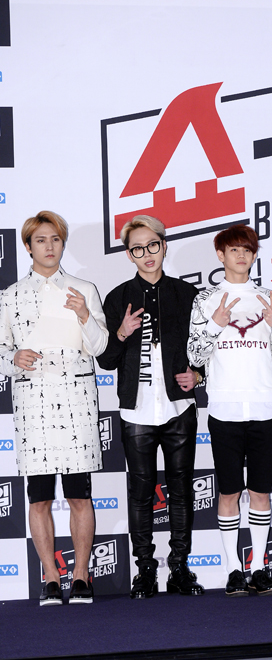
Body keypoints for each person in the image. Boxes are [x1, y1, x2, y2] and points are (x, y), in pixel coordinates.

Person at [0, 211, 108, 606]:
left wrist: (84, 315)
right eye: (41, 240)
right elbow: (0, 352)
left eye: (56, 239)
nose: (49, 246)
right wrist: (14, 358)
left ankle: (80, 576)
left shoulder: (84, 289)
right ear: (28, 247)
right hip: (34, 405)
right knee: (39, 497)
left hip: (77, 402)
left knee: (80, 495)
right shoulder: (10, 296)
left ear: (63, 244)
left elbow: (100, 347)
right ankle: (49, 576)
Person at [97, 215, 204, 598]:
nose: (147, 254)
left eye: (152, 245)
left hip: (178, 408)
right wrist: (121, 333)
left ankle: (180, 568)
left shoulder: (188, 295)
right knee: (140, 494)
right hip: (136, 411)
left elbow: (206, 349)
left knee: (181, 490)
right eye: (138, 249)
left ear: (164, 245)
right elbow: (106, 360)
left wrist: (199, 375)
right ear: (129, 254)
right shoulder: (117, 297)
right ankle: (144, 571)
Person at [188, 224, 272, 597]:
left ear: (254, 254)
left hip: (265, 406)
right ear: (221, 255)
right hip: (225, 408)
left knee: (261, 492)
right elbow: (194, 355)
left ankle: (259, 568)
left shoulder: (269, 297)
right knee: (229, 491)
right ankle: (233, 569)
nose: (241, 255)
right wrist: (214, 326)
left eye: (247, 249)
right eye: (234, 250)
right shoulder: (205, 299)